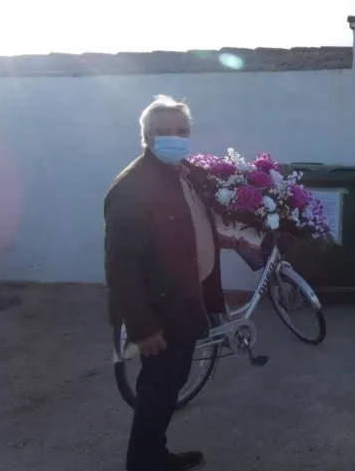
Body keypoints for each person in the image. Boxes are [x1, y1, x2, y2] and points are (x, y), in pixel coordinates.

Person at [104, 94, 225, 471]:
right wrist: (143, 328)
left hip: (184, 303)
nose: (175, 137)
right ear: (147, 137)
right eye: (164, 132)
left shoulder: (183, 175)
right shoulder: (133, 188)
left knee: (171, 384)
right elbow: (121, 266)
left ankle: (154, 453)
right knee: (158, 389)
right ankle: (144, 461)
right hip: (160, 312)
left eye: (182, 130)